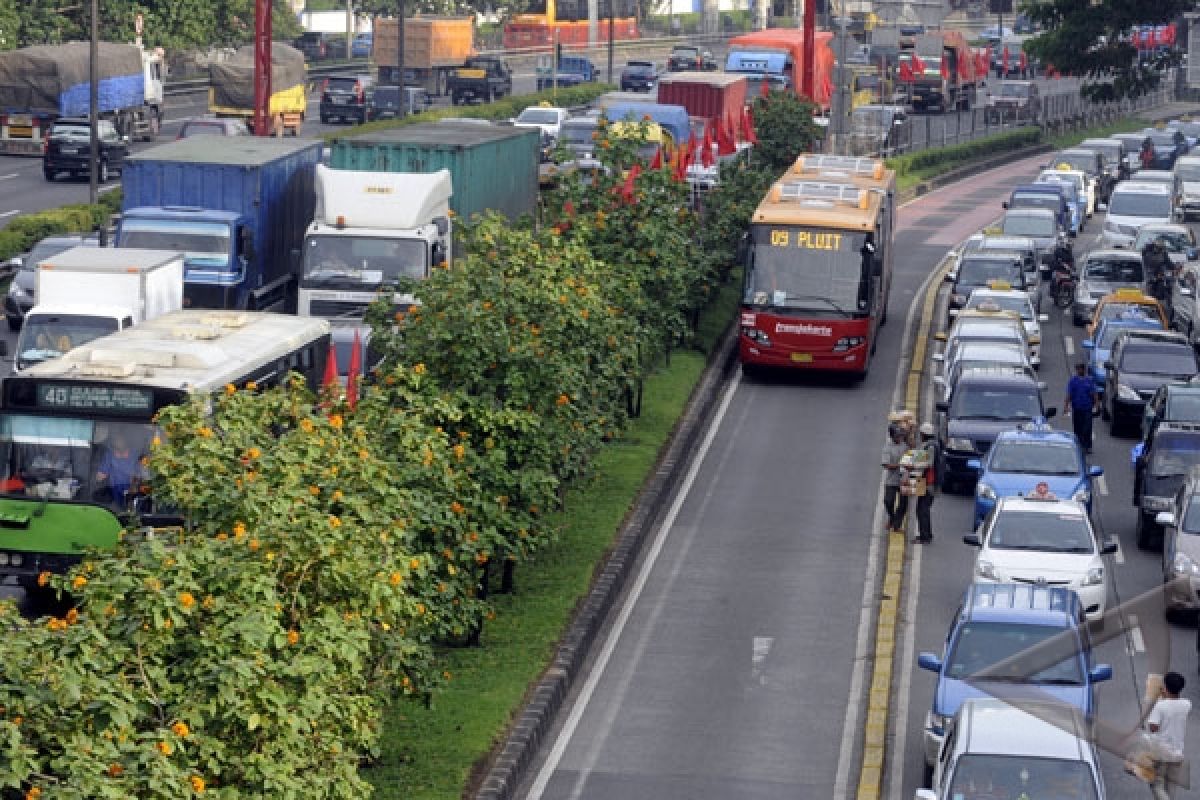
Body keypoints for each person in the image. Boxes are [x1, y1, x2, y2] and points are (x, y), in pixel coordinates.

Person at [1146, 672, 1191, 799]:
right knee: (1170, 789)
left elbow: (1153, 728)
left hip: (1161, 753)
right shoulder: (1186, 704)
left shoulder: (1160, 706)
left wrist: (1159, 700)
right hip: (1177, 752)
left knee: (1156, 785)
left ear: (1165, 688)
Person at [95, 430, 142, 501]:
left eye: (120, 440)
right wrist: (101, 475)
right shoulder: (109, 455)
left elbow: (139, 475)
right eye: (115, 440)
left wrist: (134, 486)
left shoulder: (135, 456)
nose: (118, 442)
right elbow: (100, 476)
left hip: (132, 491)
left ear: (126, 441)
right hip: (114, 491)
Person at [882, 424, 911, 534]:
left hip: (904, 479)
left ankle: (897, 525)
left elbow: (913, 451)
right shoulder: (887, 448)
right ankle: (892, 517)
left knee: (903, 503)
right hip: (892, 479)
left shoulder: (905, 445)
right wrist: (900, 465)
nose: (899, 438)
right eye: (897, 436)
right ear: (892, 436)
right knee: (888, 501)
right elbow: (886, 464)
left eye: (900, 436)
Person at [1064, 362, 1099, 454]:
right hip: (1077, 408)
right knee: (1077, 428)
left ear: (1084, 370)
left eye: (1081, 369)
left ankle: (1087, 445)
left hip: (1087, 408)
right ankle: (1079, 445)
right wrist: (1066, 406)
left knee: (1087, 428)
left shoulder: (1089, 381)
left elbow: (1094, 394)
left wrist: (1096, 405)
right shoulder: (1073, 381)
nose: (1079, 371)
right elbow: (1069, 394)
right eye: (1078, 369)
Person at [914, 422, 938, 544]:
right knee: (921, 508)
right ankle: (925, 534)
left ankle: (925, 537)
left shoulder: (930, 447)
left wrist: (914, 464)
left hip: (927, 482)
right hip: (922, 480)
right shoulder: (926, 445)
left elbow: (929, 463)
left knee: (922, 509)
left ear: (923, 434)